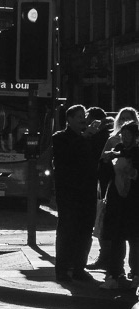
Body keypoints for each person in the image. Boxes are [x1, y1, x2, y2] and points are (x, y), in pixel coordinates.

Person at [51, 103, 100, 281]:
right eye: (79, 116)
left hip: (87, 192)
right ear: (69, 119)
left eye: (84, 116)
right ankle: (62, 269)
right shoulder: (60, 137)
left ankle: (80, 268)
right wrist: (84, 138)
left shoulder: (89, 138)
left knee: (85, 230)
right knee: (67, 230)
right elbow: (66, 157)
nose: (82, 119)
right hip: (69, 193)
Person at [100, 121, 139, 284]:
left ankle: (136, 271)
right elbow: (105, 175)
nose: (125, 138)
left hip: (134, 200)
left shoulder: (136, 153)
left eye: (128, 135)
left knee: (135, 238)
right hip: (117, 200)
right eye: (123, 135)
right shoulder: (117, 151)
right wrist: (106, 161)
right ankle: (116, 271)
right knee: (117, 237)